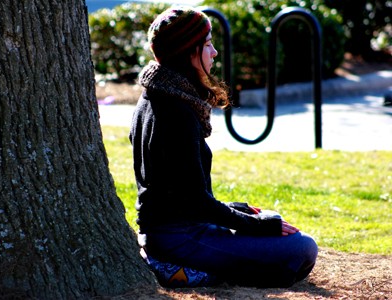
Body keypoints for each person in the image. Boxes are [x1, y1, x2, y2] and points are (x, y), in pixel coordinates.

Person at [129, 6, 318, 288]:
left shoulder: (156, 95)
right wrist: (258, 225)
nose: (214, 52)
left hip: (176, 228)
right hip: (178, 237)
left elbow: (183, 193)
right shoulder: (174, 112)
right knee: (302, 248)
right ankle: (184, 270)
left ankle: (205, 267)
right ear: (187, 52)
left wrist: (242, 211)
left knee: (273, 220)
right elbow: (196, 203)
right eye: (207, 45)